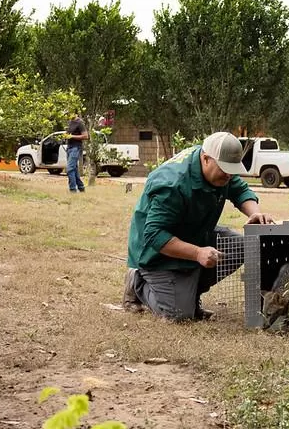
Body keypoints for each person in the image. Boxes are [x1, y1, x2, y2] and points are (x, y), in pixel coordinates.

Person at [122, 131, 274, 321]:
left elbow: (239, 190)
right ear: (206, 158)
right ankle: (137, 282)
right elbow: (155, 235)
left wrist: (254, 212)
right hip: (155, 252)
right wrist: (197, 253)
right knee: (179, 315)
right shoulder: (172, 185)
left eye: (232, 169)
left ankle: (189, 293)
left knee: (243, 246)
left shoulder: (220, 168)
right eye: (224, 169)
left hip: (194, 232)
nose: (229, 174)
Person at [66, 113, 89, 193]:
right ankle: (81, 187)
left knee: (69, 169)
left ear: (75, 113)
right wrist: (65, 136)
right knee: (74, 170)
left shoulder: (80, 123)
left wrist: (72, 136)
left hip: (76, 148)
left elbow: (86, 136)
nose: (67, 115)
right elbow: (69, 134)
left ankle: (72, 189)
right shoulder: (70, 122)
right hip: (69, 147)